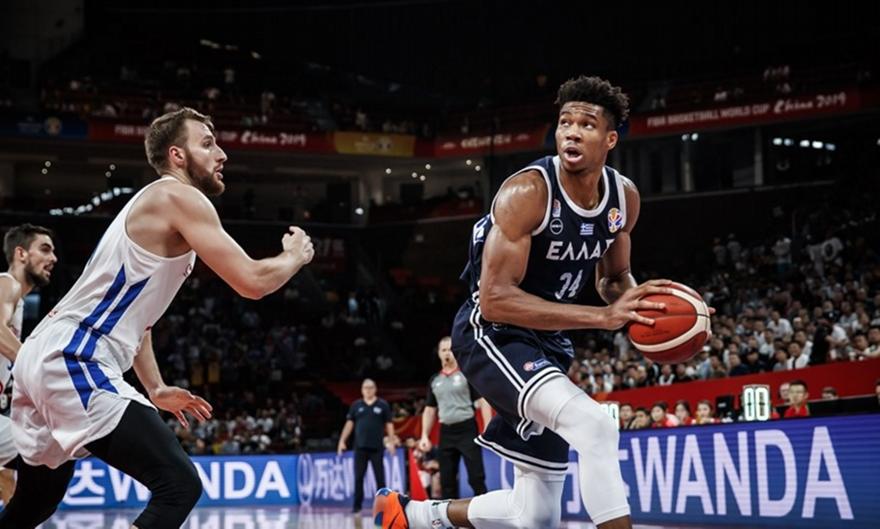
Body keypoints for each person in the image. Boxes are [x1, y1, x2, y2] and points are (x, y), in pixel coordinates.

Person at [375, 76, 685, 529]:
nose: (572, 133)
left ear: (610, 139)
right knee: (596, 426)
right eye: (565, 122)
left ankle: (413, 514)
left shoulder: (624, 198)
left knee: (535, 513)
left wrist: (646, 306)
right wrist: (602, 316)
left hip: (548, 342)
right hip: (490, 333)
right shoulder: (528, 192)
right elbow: (495, 299)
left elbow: (614, 279)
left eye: (586, 125)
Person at [0, 107, 315, 528]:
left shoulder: (154, 207)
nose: (221, 154)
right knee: (178, 485)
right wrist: (294, 257)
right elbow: (252, 282)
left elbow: (138, 321)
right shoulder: (178, 196)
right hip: (74, 355)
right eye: (207, 144)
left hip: (47, 354)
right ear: (176, 155)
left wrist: (155, 386)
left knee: (35, 503)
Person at [0, 224, 57, 504]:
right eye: (45, 249)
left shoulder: (18, 303)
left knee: (7, 476)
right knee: (52, 443)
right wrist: (36, 368)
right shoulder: (6, 284)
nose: (53, 258)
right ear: (21, 254)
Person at [417, 336, 492, 499]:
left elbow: (482, 401)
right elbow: (429, 410)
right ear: (439, 353)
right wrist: (424, 435)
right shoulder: (435, 380)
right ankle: (449, 514)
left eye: (450, 349)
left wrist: (488, 427)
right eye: (443, 350)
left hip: (467, 429)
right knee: (446, 480)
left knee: (476, 477)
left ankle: (483, 511)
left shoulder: (466, 374)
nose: (447, 353)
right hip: (446, 432)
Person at [337, 378, 397, 512]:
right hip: (360, 448)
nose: (368, 390)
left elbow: (389, 424)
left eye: (370, 388)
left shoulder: (382, 405)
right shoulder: (356, 405)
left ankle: (383, 506)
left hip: (377, 448)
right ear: (362, 390)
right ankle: (357, 506)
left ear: (375, 389)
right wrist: (342, 440)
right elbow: (349, 424)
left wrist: (391, 442)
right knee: (358, 477)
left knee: (380, 478)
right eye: (365, 388)